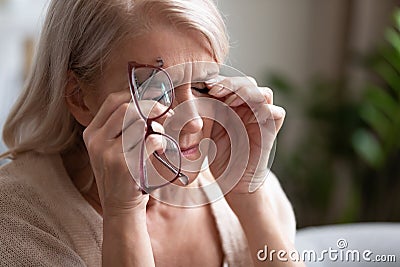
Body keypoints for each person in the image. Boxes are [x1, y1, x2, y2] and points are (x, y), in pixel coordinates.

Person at [0, 0, 304, 266]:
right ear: (80, 98)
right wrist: (124, 215)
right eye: (154, 89)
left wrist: (250, 199)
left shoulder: (245, 189)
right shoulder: (15, 222)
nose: (195, 122)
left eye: (203, 85)